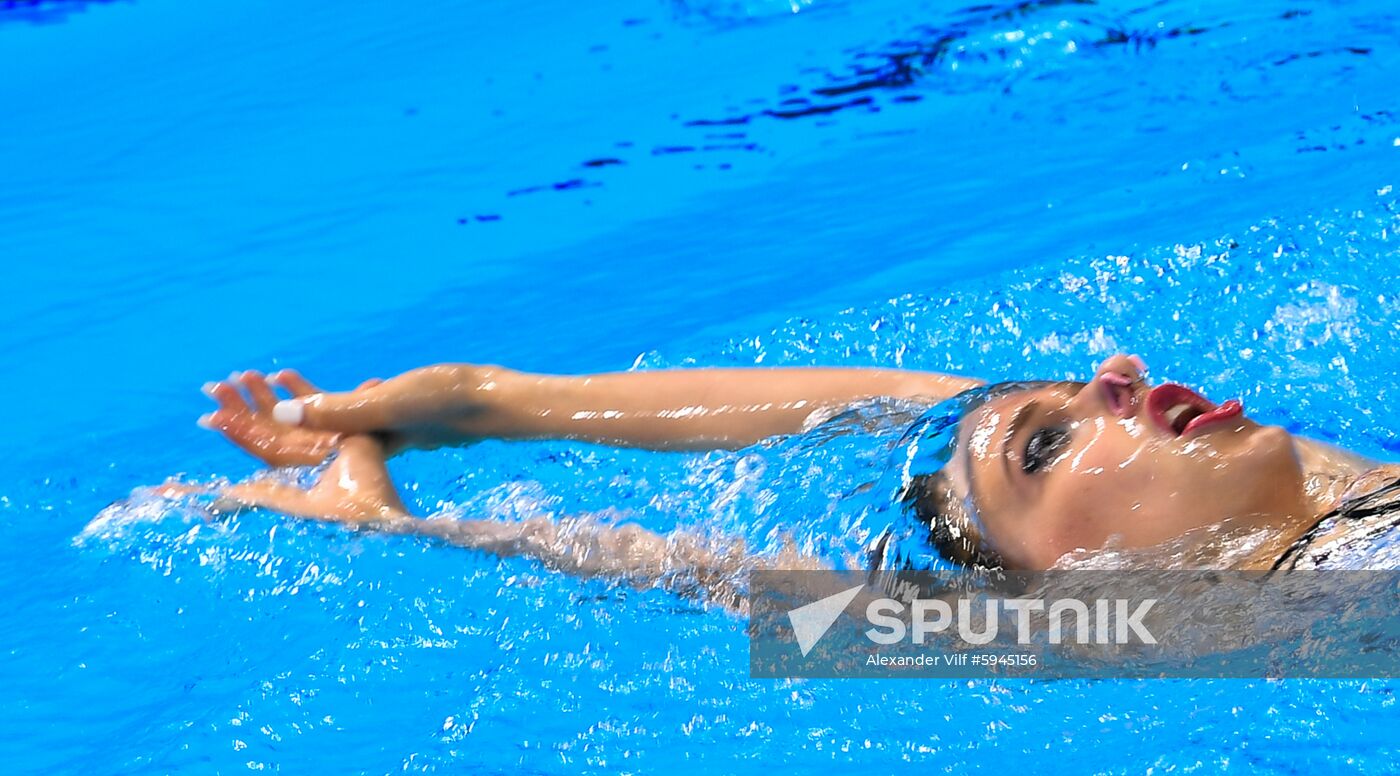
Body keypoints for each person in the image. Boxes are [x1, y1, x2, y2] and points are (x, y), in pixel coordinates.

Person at [179, 355, 1399, 609]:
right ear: (1065, 582)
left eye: (1083, 395)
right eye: (1051, 444)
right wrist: (414, 526)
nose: (1117, 373)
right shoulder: (1194, 619)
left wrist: (493, 399)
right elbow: (746, 582)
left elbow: (923, 401)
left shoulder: (1329, 500)